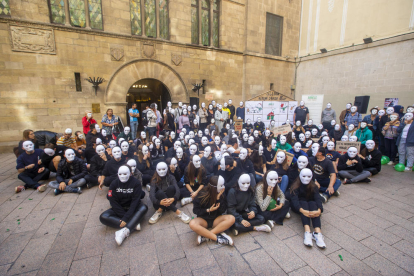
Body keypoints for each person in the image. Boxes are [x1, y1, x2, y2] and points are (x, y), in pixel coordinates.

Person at [100, 165, 148, 246]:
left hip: (133, 208)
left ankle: (124, 231)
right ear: (117, 174)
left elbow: (135, 202)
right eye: (120, 174)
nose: (122, 176)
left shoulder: (136, 183)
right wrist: (124, 217)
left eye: (125, 174)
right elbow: (113, 201)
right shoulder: (114, 183)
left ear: (130, 174)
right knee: (103, 216)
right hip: (120, 208)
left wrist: (125, 218)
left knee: (144, 208)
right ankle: (132, 224)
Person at [190, 176, 234, 245]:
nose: (223, 187)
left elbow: (223, 210)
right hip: (203, 220)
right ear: (215, 187)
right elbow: (195, 210)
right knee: (192, 224)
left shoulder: (221, 193)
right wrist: (208, 210)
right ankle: (217, 238)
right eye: (221, 185)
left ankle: (205, 236)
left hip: (216, 220)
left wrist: (218, 198)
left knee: (231, 218)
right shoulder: (202, 194)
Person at [290, 169, 326, 248]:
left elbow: (317, 198)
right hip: (299, 206)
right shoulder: (295, 186)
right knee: (304, 203)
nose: (306, 178)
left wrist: (319, 210)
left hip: (310, 205)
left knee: (313, 203)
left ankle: (317, 232)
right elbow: (295, 201)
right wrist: (302, 211)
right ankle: (307, 231)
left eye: (308, 176)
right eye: (304, 176)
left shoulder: (313, 186)